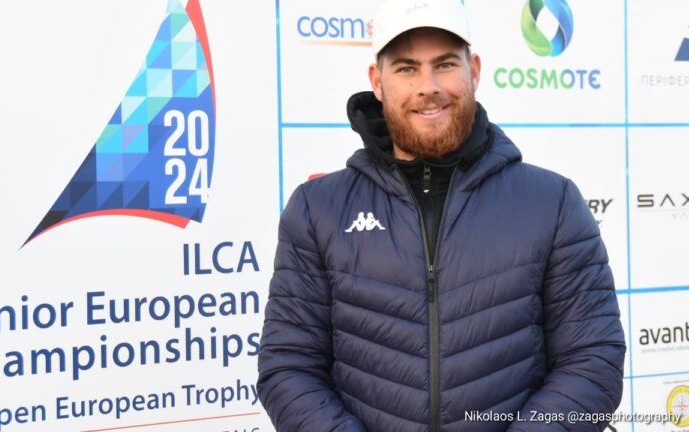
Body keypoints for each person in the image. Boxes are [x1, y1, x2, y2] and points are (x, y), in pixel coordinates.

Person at [257, 0, 626, 430]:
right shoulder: (317, 209)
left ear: (475, 71)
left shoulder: (553, 202)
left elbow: (593, 360)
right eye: (406, 68)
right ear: (377, 82)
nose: (428, 86)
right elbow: (288, 367)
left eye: (445, 64)